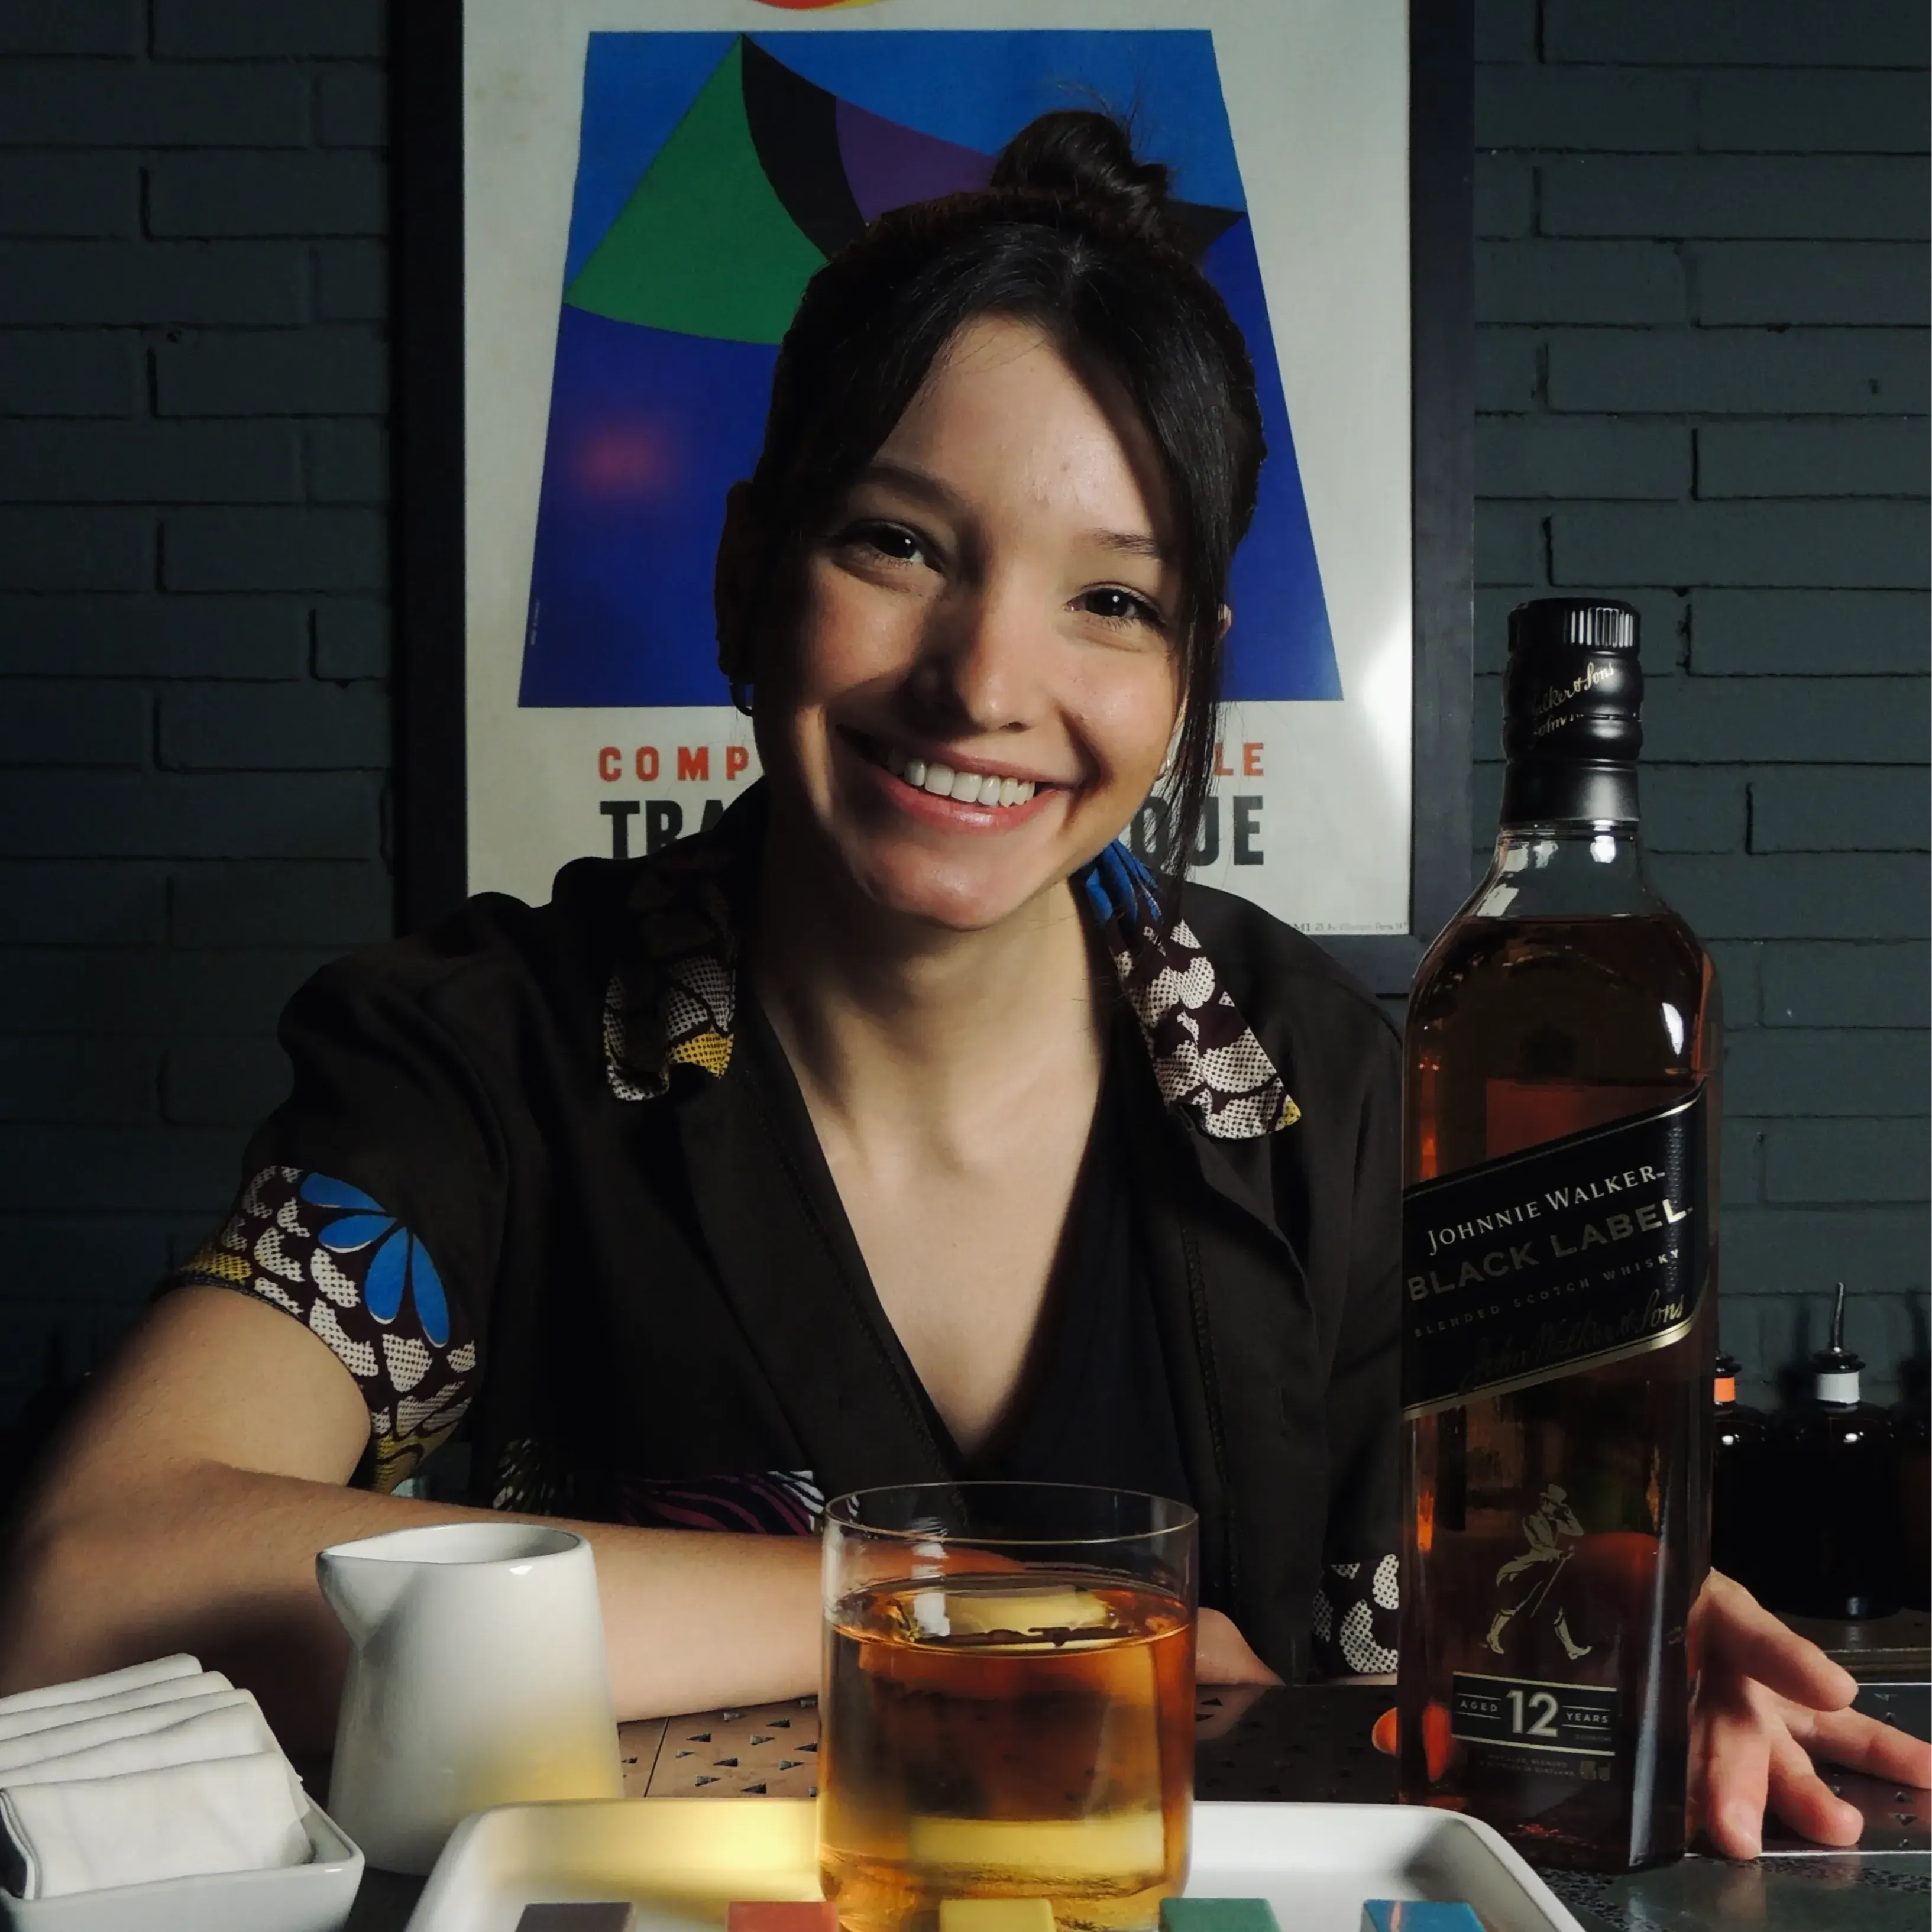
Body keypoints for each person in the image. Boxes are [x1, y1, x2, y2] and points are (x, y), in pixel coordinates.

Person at [0, 114, 1923, 1860]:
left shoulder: (1328, 1098)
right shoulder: (483, 1059)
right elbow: (85, 1586)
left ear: (1189, 672)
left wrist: (1602, 1643)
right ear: (749, 571)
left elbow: (1423, 1656)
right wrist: (998, 1608)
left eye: (1111, 598)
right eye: (899, 544)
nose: (986, 683)